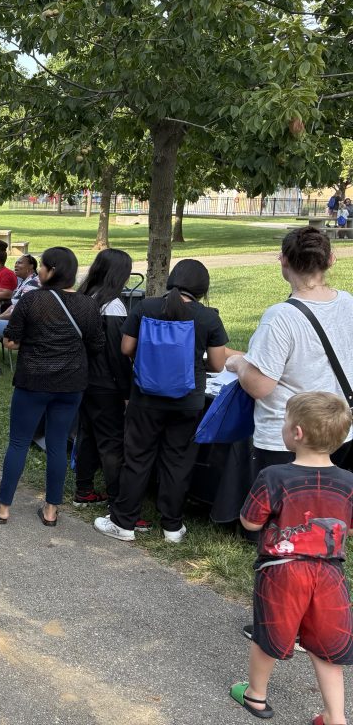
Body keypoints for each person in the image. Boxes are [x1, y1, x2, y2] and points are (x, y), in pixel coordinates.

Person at [229, 392, 353, 724]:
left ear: (296, 433)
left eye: (285, 421)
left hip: (282, 571)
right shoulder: (349, 482)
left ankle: (256, 696)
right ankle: (335, 717)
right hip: (330, 574)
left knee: (269, 634)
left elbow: (250, 522)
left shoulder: (274, 476)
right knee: (327, 646)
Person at [95, 259, 229, 544]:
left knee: (137, 458)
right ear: (202, 289)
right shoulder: (208, 317)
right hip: (188, 401)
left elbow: (126, 348)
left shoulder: (146, 307)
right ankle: (172, 527)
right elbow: (218, 365)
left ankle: (123, 522)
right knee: (178, 462)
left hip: (145, 397)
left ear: (172, 280)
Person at [0, 247, 103, 527]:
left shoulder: (32, 300)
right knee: (57, 444)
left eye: (42, 267)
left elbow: (10, 341)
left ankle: (2, 506)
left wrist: (36, 340)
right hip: (71, 383)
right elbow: (96, 345)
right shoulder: (88, 304)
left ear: (51, 271)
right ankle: (51, 510)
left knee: (19, 442)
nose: (39, 272)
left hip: (34, 381)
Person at [226, 227, 353, 471]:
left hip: (290, 442)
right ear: (330, 260)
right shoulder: (348, 302)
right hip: (339, 433)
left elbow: (259, 386)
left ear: (283, 260)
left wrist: (239, 363)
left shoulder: (280, 317)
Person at [72, 248, 134, 506]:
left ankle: (84, 490)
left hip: (81, 379)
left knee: (87, 435)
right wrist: (127, 392)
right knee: (111, 442)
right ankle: (117, 499)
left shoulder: (84, 297)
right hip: (105, 384)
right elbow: (118, 356)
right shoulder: (113, 305)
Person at [0, 254, 42, 334]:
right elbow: (14, 305)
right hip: (15, 321)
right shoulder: (24, 281)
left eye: (20, 263)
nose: (16, 265)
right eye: (16, 263)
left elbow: (21, 312)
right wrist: (0, 316)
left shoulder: (32, 284)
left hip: (23, 326)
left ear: (31, 266)